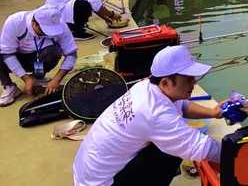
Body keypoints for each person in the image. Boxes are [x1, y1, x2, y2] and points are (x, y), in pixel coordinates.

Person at [73, 45, 224, 186]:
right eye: (188, 79)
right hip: (100, 183)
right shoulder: (155, 113)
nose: (193, 83)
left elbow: (181, 105)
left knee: (171, 143)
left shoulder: (145, 86)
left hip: (88, 174)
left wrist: (213, 112)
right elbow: (204, 148)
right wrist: (239, 153)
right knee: (171, 154)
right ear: (165, 83)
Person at [0, 5, 77, 106]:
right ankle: (9, 86)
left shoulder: (60, 24)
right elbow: (7, 53)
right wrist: (25, 78)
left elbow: (71, 54)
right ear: (34, 23)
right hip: (17, 56)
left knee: (53, 51)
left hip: (38, 59)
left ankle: (37, 78)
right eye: (44, 31)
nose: (48, 35)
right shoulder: (15, 21)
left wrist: (56, 80)